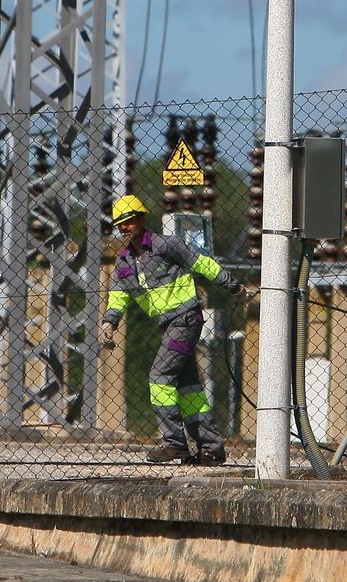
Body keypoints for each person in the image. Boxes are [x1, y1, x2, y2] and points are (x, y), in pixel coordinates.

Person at [100, 194, 244, 464]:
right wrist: (110, 321)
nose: (124, 227)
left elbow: (202, 263)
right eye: (120, 222)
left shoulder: (168, 245)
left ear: (142, 219)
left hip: (185, 319)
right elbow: (118, 294)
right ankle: (210, 448)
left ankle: (173, 441)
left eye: (129, 220)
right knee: (189, 389)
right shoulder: (124, 262)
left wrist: (232, 285)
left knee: (159, 377)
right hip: (168, 325)